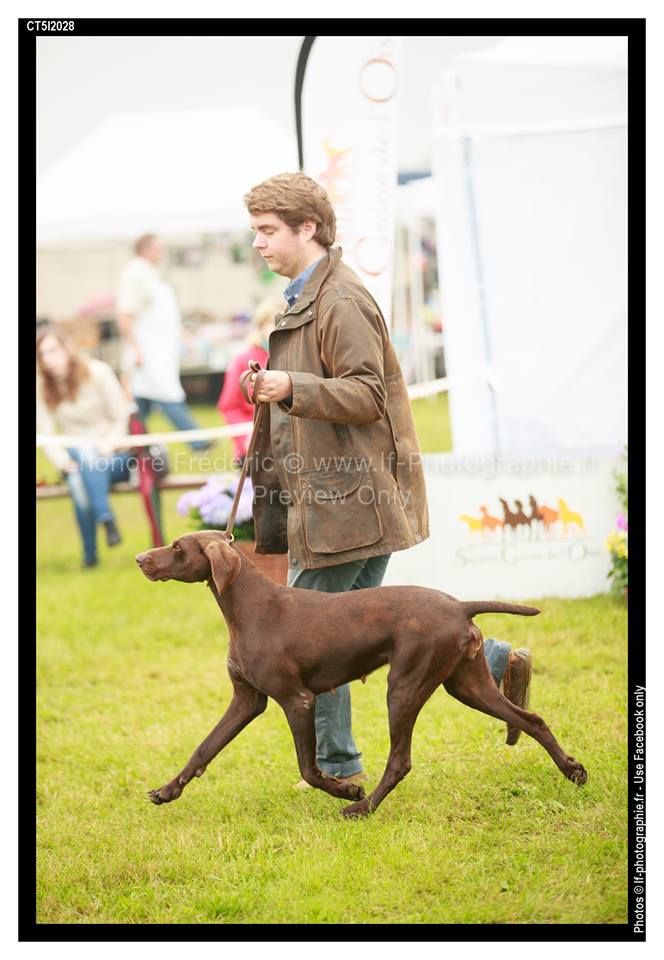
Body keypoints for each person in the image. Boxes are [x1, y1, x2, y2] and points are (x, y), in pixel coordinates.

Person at [242, 172, 532, 785]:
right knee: (355, 633)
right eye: (255, 232)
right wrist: (277, 387)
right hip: (340, 498)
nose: (258, 244)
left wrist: (291, 386)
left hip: (347, 503)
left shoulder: (340, 299)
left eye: (268, 231)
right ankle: (496, 661)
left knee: (308, 638)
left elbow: (366, 394)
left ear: (308, 228)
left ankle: (334, 766)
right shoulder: (306, 295)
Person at [37, 328, 133, 569]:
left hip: (115, 455)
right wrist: (62, 462)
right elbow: (45, 434)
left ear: (67, 349)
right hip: (77, 457)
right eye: (41, 354)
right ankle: (101, 533)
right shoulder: (42, 386)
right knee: (78, 479)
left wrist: (109, 444)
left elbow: (121, 417)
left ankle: (91, 551)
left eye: (53, 350)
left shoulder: (98, 372)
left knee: (88, 457)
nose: (48, 358)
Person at [116, 233, 210, 452]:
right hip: (147, 354)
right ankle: (197, 441)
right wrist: (135, 349)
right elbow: (125, 316)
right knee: (166, 395)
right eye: (158, 247)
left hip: (161, 353)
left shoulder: (152, 274)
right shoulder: (135, 272)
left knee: (142, 401)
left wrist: (183, 336)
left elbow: (163, 317)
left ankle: (131, 442)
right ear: (145, 249)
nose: (162, 252)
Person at [217, 299, 282, 465]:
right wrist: (246, 438)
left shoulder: (296, 357)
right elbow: (229, 406)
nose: (277, 328)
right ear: (260, 327)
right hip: (253, 449)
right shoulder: (242, 360)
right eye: (272, 323)